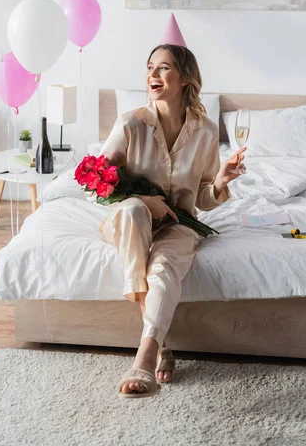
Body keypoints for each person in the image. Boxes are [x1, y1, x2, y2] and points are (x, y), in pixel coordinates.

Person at [94, 41, 246, 399]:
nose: (153, 74)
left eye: (163, 67)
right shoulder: (130, 123)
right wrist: (145, 200)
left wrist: (222, 179)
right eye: (150, 67)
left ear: (184, 78)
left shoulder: (206, 131)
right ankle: (157, 351)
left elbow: (204, 199)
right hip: (130, 221)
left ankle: (145, 352)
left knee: (161, 268)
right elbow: (97, 183)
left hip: (180, 225)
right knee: (132, 210)